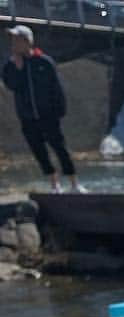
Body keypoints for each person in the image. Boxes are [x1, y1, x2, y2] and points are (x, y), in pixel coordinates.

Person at [2, 26, 85, 193]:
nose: (14, 44)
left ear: (27, 42)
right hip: (27, 117)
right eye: (12, 40)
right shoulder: (10, 66)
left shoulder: (44, 62)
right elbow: (12, 86)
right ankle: (55, 185)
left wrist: (59, 111)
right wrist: (18, 69)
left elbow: (56, 88)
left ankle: (75, 183)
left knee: (59, 148)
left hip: (48, 115)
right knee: (39, 151)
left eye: (17, 40)